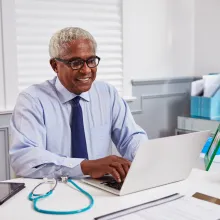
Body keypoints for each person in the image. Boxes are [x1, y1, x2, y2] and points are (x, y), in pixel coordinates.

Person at [9, 27, 148, 182]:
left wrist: (142, 157)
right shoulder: (32, 100)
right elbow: (24, 158)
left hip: (100, 188)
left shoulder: (107, 93)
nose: (86, 70)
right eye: (76, 62)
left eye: (91, 61)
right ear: (55, 65)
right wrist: (85, 166)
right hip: (54, 190)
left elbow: (131, 137)